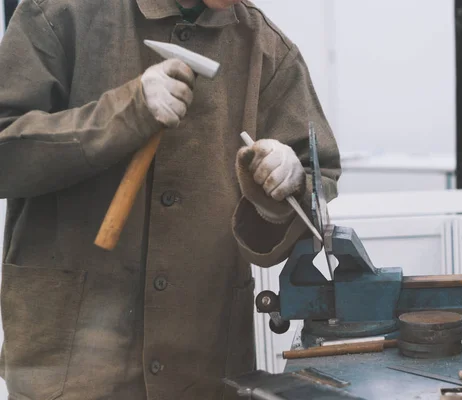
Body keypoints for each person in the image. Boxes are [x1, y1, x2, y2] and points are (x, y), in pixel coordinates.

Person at [0, 0, 341, 399]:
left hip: (203, 365)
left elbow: (318, 178)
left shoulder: (266, 49)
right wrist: (125, 113)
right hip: (75, 367)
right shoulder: (60, 12)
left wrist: (291, 180)